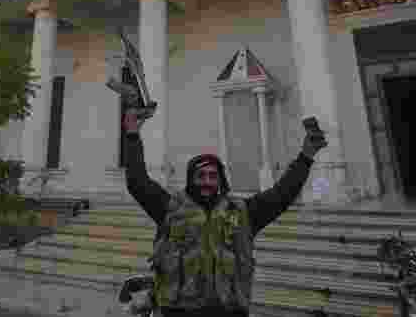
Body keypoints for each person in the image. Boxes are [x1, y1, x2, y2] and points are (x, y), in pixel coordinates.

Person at [122, 108, 327, 317]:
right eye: (201, 176)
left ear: (220, 181)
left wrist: (306, 156)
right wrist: (132, 134)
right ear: (190, 180)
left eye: (213, 176)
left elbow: (282, 194)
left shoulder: (241, 212)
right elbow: (137, 182)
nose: (207, 181)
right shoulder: (171, 209)